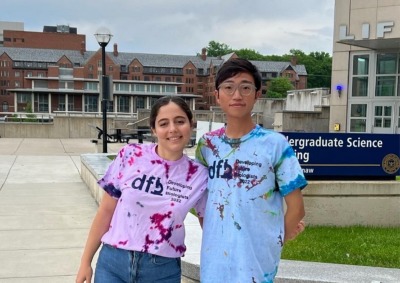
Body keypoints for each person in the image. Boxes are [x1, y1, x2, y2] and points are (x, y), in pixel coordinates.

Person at [195, 58, 307, 283]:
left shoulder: (275, 145)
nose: (237, 95)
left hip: (257, 263)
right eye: (228, 87)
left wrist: (275, 239)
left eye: (246, 87)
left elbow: (297, 209)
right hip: (215, 261)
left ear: (257, 94)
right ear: (217, 95)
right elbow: (202, 205)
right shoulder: (206, 146)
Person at [76, 96, 208, 283]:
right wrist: (85, 261)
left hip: (162, 270)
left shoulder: (199, 176)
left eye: (180, 121)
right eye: (163, 123)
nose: (173, 129)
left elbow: (210, 228)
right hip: (113, 264)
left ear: (191, 125)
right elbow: (105, 211)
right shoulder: (130, 155)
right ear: (154, 129)